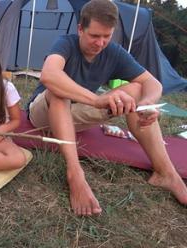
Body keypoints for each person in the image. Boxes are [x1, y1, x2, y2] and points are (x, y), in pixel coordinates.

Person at [27, 0, 187, 216]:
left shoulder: (113, 52)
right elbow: (50, 75)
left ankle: (166, 173)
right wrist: (95, 100)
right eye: (94, 36)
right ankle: (75, 174)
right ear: (80, 29)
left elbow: (153, 83)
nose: (100, 43)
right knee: (59, 90)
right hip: (43, 114)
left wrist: (147, 103)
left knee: (137, 89)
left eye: (106, 36)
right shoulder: (66, 43)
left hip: (75, 115)